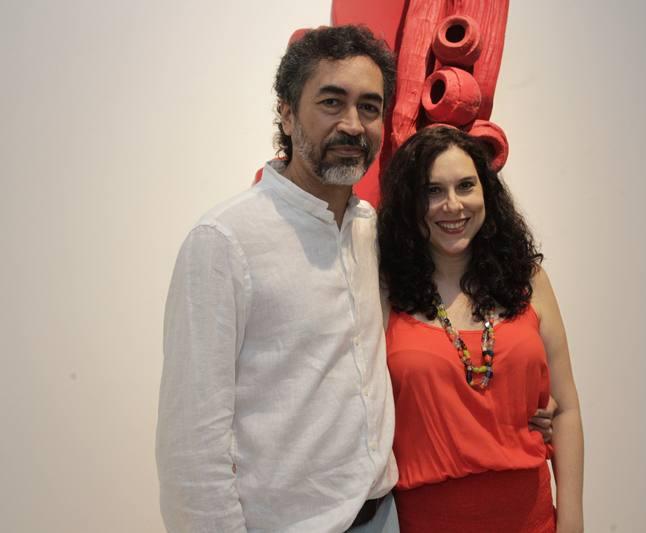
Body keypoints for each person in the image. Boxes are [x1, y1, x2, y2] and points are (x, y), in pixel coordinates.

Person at [156, 26, 401, 532]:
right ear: (287, 114)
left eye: (369, 107)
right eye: (331, 102)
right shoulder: (224, 241)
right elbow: (190, 446)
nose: (353, 125)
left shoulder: (369, 230)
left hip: (383, 514)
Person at [377, 126, 584, 532]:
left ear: (486, 191)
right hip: (425, 522)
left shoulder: (529, 281)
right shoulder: (384, 289)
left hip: (532, 519)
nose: (453, 205)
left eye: (465, 186)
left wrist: (572, 520)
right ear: (408, 202)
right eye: (432, 191)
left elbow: (567, 409)